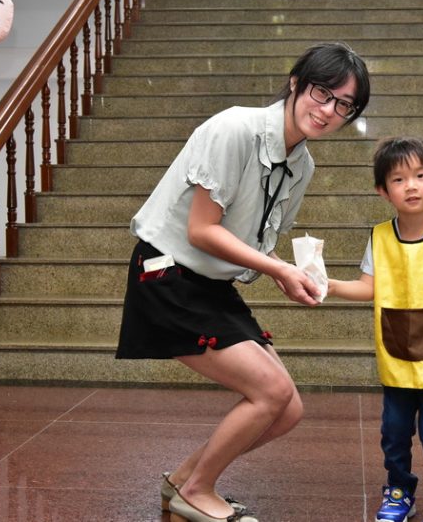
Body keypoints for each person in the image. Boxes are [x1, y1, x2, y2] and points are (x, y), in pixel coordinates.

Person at [115, 42, 370, 522]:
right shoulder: (235, 128)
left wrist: (285, 273)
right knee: (271, 392)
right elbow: (201, 230)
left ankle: (182, 481)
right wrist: (277, 269)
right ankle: (198, 490)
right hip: (166, 272)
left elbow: (254, 240)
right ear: (296, 83)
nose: (327, 111)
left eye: (344, 105)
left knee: (288, 409)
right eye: (322, 93)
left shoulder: (303, 165)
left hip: (212, 282)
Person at [327, 136, 423, 522]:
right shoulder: (379, 236)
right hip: (396, 354)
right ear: (383, 190)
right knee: (393, 431)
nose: (411, 186)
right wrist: (329, 285)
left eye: (420, 176)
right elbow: (368, 287)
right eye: (398, 179)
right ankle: (399, 491)